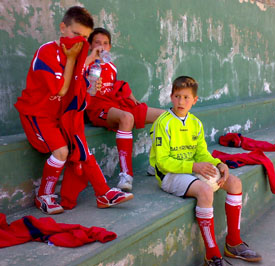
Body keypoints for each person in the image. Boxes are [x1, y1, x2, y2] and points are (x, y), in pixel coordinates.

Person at [14, 6, 133, 215]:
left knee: (82, 148)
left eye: (84, 38)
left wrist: (89, 78)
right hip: (39, 113)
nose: (79, 41)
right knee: (62, 151)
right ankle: (44, 195)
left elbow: (79, 87)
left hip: (64, 113)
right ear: (63, 28)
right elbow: (60, 90)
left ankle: (103, 193)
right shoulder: (47, 51)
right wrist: (72, 59)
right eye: (75, 34)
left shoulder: (78, 55)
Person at [149, 76, 262, 265]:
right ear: (171, 97)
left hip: (191, 170)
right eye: (177, 96)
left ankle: (233, 243)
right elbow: (162, 162)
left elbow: (201, 153)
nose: (181, 102)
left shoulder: (195, 123)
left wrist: (219, 164)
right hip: (170, 175)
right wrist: (193, 166)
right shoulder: (163, 123)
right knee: (205, 190)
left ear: (194, 100)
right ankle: (212, 254)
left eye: (186, 97)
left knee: (235, 182)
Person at [86, 27, 164, 192]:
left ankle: (157, 163)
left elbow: (115, 85)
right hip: (98, 107)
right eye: (97, 43)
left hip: (116, 103)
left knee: (164, 117)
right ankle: (126, 175)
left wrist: (127, 93)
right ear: (90, 46)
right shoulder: (85, 65)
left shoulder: (112, 67)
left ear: (110, 47)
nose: (102, 47)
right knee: (127, 118)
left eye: (106, 43)